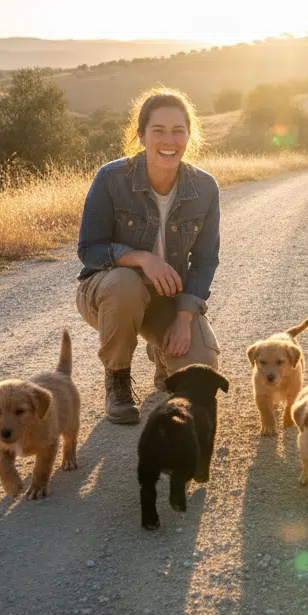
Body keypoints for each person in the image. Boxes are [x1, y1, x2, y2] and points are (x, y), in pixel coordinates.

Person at [76, 88, 221, 424]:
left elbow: (205, 261)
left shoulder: (205, 188)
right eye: (158, 131)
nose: (169, 140)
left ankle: (163, 354)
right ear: (141, 135)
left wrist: (184, 319)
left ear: (189, 135)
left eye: (178, 131)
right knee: (126, 283)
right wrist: (142, 258)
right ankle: (117, 379)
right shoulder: (111, 178)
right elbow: (89, 250)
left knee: (199, 377)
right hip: (108, 295)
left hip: (166, 300)